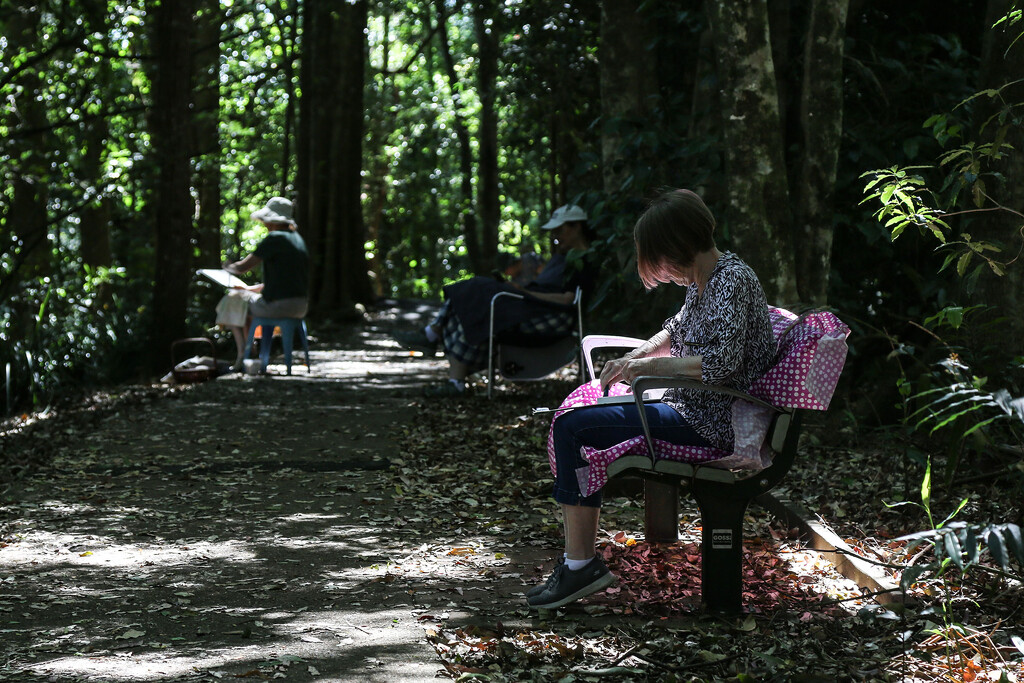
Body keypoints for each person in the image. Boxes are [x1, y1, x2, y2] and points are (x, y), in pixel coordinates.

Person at [525, 188, 776, 610]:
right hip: (689, 406)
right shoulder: (706, 279)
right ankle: (577, 562)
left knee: (572, 426)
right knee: (576, 418)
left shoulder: (733, 281)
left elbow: (721, 365)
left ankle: (579, 565)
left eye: (658, 256)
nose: (658, 269)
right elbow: (674, 331)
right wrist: (634, 358)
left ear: (676, 246)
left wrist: (648, 370)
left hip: (712, 424)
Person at [394, 204, 597, 396]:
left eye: (559, 231)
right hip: (534, 306)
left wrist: (524, 293)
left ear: (576, 227)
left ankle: (432, 337)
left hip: (550, 313)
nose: (556, 237)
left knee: (479, 288)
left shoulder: (584, 260)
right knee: (472, 307)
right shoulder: (563, 256)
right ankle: (454, 381)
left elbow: (567, 299)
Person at [221, 196, 310, 370]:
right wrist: (250, 289)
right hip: (301, 305)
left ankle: (243, 355)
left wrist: (226, 267)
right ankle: (251, 351)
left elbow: (242, 268)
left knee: (232, 300)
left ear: (273, 220)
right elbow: (285, 281)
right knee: (244, 300)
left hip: (278, 306)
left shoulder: (274, 238)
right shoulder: (297, 239)